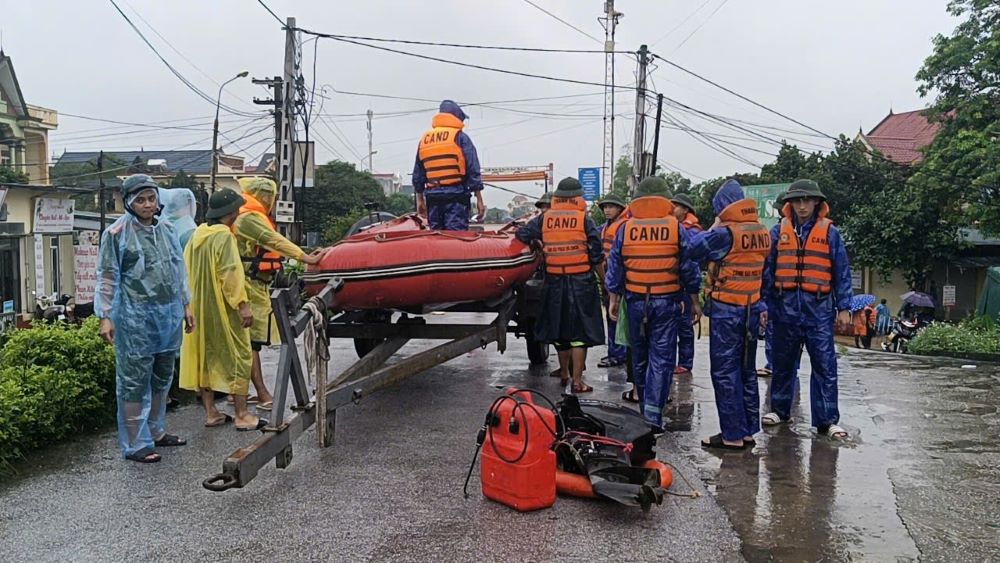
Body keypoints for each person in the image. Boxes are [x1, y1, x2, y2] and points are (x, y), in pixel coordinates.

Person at [94, 174, 194, 463]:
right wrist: (106, 316)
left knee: (163, 376)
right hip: (134, 318)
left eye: (151, 198)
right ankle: (136, 443)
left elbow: (178, 269)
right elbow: (108, 276)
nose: (148, 205)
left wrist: (186, 305)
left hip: (168, 314)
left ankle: (157, 432)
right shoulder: (116, 234)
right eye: (141, 200)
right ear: (129, 202)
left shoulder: (166, 229)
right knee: (134, 380)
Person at [605, 177, 701, 428]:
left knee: (639, 356)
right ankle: (653, 415)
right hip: (666, 303)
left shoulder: (625, 228)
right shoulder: (675, 227)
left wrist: (613, 299)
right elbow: (688, 267)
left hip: (635, 302)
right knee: (661, 359)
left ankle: (644, 410)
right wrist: (694, 300)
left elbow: (615, 267)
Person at [761, 179, 853, 440]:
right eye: (797, 201)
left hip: (819, 308)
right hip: (784, 306)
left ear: (816, 203)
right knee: (783, 362)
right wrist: (763, 306)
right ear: (789, 204)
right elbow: (767, 272)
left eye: (807, 200)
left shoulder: (830, 233)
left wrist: (844, 307)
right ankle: (779, 410)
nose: (802, 206)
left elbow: (841, 273)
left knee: (825, 364)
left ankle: (827, 420)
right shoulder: (778, 232)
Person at [686, 180, 770, 449]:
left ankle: (732, 435)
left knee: (725, 372)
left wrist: (713, 226)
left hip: (727, 311)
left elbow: (693, 249)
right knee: (746, 371)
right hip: (752, 307)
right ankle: (747, 431)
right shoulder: (761, 231)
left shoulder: (725, 234)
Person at [233, 177, 324, 410]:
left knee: (250, 342)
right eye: (271, 196)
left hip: (256, 283)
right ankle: (262, 394)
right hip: (248, 284)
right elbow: (274, 241)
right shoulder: (249, 217)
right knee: (250, 342)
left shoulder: (247, 214)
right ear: (264, 196)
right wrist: (305, 258)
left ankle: (245, 392)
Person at [180, 190, 268, 431]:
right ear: (232, 212)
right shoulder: (224, 237)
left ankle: (211, 413)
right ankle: (241, 414)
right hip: (222, 307)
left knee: (205, 357)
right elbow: (229, 273)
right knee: (239, 354)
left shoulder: (198, 233)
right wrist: (242, 305)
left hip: (198, 306)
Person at [516, 177, 605, 393]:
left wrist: (539, 244)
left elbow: (522, 234)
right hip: (581, 282)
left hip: (554, 282)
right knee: (579, 333)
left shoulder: (544, 219)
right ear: (576, 197)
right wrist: (604, 280)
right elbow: (596, 254)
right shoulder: (584, 219)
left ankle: (564, 373)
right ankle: (577, 381)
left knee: (559, 329)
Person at [412, 100, 485, 230]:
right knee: (455, 239)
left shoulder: (425, 140)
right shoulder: (461, 138)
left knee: (436, 238)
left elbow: (418, 173)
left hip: (433, 198)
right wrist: (479, 199)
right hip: (456, 197)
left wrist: (420, 200)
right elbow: (473, 169)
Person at [671, 193, 702, 376]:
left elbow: (691, 265)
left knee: (684, 325)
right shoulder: (672, 227)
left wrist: (695, 296)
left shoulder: (692, 232)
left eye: (676, 206)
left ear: (685, 210)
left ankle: (685, 362)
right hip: (671, 284)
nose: (672, 209)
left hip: (684, 285)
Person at [597, 193, 629, 369]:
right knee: (611, 317)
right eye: (605, 207)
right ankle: (615, 352)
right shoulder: (604, 227)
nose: (607, 210)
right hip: (607, 276)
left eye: (611, 207)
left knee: (616, 316)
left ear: (619, 209)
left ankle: (618, 354)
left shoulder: (622, 227)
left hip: (618, 279)